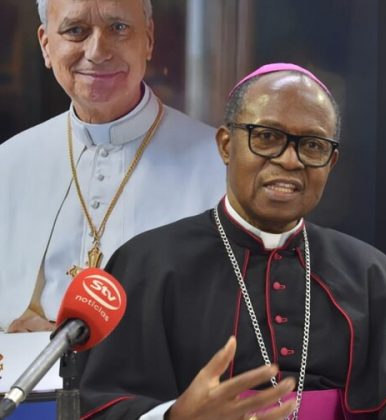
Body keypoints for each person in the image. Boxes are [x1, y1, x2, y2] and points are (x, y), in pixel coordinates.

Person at [78, 63, 386, 420]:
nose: (289, 160)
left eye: (312, 145)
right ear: (226, 145)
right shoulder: (149, 263)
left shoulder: (367, 268)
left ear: (331, 161)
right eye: (266, 137)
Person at [0, 0, 225, 332]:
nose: (97, 52)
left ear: (148, 39)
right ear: (46, 45)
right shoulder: (9, 163)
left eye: (118, 28)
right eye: (75, 30)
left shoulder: (220, 166)